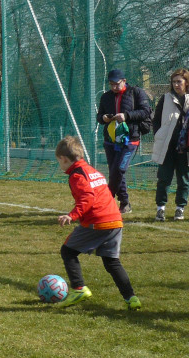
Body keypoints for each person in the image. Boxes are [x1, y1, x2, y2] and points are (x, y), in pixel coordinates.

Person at [55, 135, 141, 310]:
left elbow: (88, 197)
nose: (60, 165)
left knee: (68, 251)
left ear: (64, 159)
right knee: (111, 262)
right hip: (115, 220)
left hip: (98, 222)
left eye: (59, 162)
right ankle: (131, 298)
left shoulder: (77, 175)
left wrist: (72, 215)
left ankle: (79, 288)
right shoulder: (92, 171)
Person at [96, 68, 152, 214]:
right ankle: (125, 203)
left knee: (119, 169)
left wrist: (126, 116)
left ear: (124, 81)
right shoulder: (106, 97)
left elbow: (146, 111)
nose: (114, 87)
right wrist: (104, 118)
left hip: (130, 139)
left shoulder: (136, 92)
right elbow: (99, 116)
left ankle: (106, 200)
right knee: (114, 170)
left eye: (116, 84)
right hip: (110, 140)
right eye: (111, 84)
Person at [151, 68, 189, 221]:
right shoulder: (165, 98)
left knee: (184, 179)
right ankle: (161, 208)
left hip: (184, 148)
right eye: (173, 82)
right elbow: (156, 119)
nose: (176, 85)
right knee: (164, 178)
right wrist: (159, 134)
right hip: (167, 146)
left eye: (179, 81)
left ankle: (180, 208)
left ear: (186, 82)